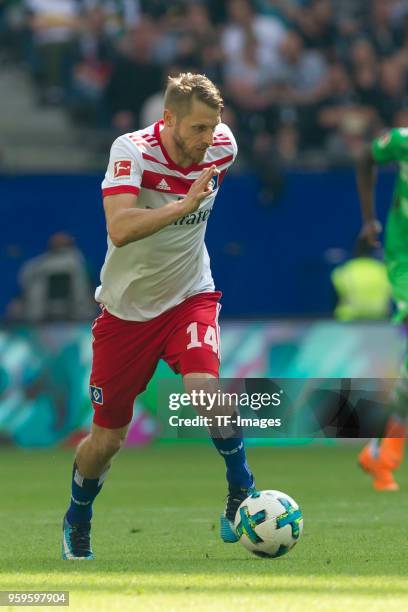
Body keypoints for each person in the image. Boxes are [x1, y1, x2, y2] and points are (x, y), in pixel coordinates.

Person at [61, 72, 256, 560]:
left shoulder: (222, 147)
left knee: (204, 390)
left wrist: (192, 197)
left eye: (213, 127)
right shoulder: (131, 151)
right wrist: (184, 205)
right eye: (197, 129)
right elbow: (120, 228)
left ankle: (241, 492)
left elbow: (215, 149)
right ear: (167, 119)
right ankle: (77, 516)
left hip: (190, 294)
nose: (208, 140)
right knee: (106, 440)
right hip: (126, 313)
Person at [356, 126, 408, 491]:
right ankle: (382, 451)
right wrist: (369, 217)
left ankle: (381, 452)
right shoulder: (403, 141)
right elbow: (365, 156)